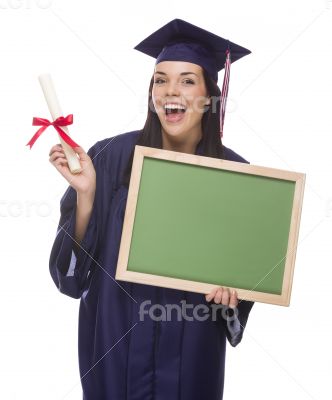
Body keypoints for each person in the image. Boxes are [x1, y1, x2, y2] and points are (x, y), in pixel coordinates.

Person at [49, 19, 254, 400]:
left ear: (211, 95)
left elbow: (241, 296)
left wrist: (233, 296)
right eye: (160, 80)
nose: (170, 90)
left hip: (192, 353)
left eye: (187, 80)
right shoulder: (109, 158)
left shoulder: (236, 176)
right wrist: (87, 196)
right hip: (113, 346)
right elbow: (71, 280)